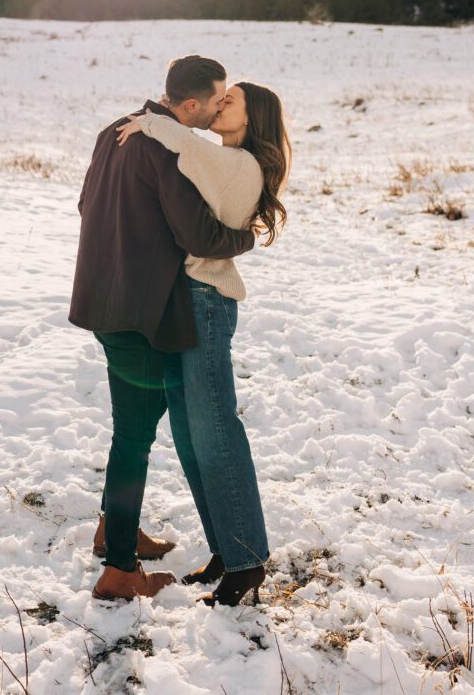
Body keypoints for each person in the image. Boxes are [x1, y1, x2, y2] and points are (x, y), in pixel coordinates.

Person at [68, 56, 256, 601]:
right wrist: (250, 235)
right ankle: (121, 569)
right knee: (134, 433)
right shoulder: (167, 146)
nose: (221, 108)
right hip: (139, 313)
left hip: (102, 300)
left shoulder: (114, 130)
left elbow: (86, 204)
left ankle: (113, 529)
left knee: (139, 421)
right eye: (217, 100)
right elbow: (200, 236)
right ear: (191, 105)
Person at [115, 80, 291, 606]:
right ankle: (227, 548)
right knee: (194, 435)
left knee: (214, 429)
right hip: (187, 300)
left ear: (252, 117)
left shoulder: (239, 165)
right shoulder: (226, 159)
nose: (218, 104)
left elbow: (184, 147)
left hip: (206, 302)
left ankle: (245, 562)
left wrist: (149, 121)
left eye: (229, 100)